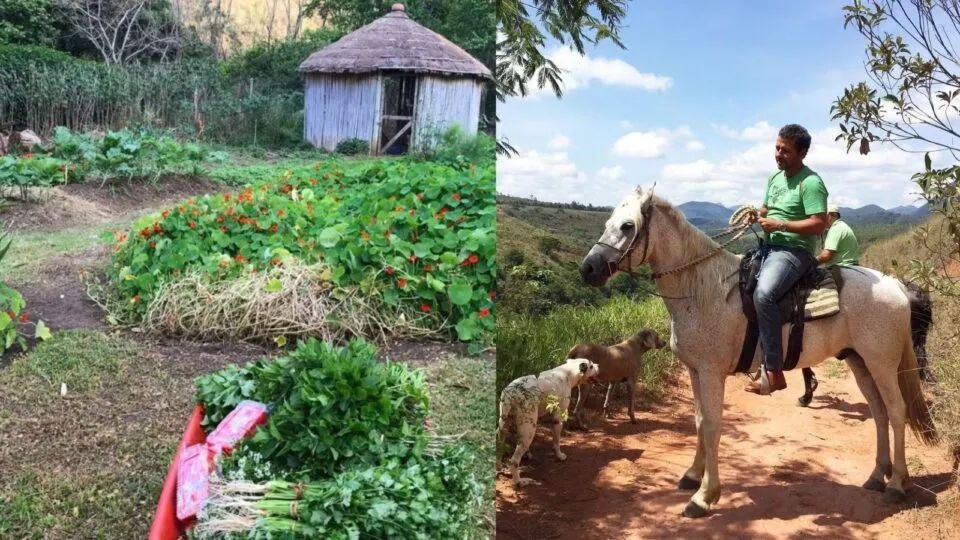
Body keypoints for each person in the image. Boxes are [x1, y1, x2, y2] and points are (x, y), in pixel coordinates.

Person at [745, 124, 829, 395]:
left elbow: (818, 223)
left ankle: (774, 372)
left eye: (786, 150)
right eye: (777, 148)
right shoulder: (774, 178)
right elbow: (767, 208)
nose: (778, 154)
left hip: (794, 251)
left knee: (764, 295)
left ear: (802, 153)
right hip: (769, 247)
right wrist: (756, 214)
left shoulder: (811, 182)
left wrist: (781, 225)